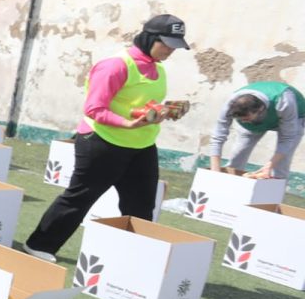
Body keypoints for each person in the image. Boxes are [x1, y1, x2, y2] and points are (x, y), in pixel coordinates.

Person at [23, 14, 192, 261]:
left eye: (175, 46)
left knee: (141, 206)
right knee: (80, 198)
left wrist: (164, 111)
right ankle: (38, 245)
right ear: (149, 38)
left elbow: (142, 104)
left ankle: (131, 259)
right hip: (102, 142)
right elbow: (94, 108)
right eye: (166, 44)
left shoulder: (158, 69)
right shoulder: (115, 65)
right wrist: (127, 123)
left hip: (142, 145)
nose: (170, 51)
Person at [208, 81, 303, 180]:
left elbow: (288, 138)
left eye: (247, 119)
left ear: (260, 109)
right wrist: (215, 170)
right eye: (241, 120)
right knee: (237, 155)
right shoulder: (230, 104)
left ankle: (274, 191)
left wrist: (269, 166)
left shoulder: (284, 101)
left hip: (294, 118)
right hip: (258, 120)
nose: (244, 122)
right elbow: (218, 136)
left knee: (281, 164)